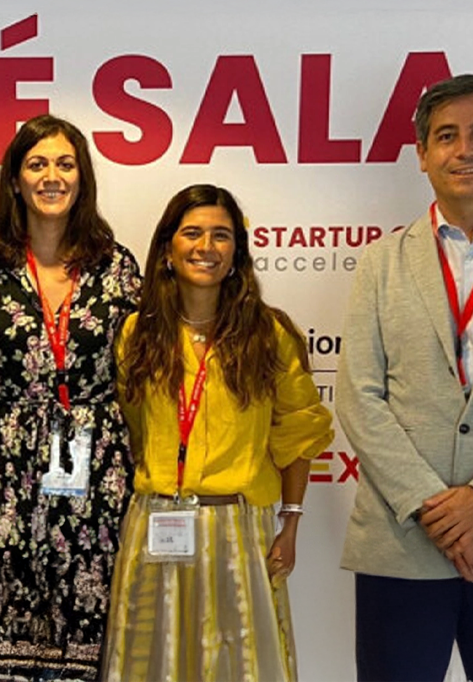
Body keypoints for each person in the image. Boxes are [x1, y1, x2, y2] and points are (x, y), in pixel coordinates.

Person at [0, 114, 141, 682]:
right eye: (37, 163)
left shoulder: (117, 268)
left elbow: (133, 381)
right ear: (15, 179)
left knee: (84, 613)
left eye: (65, 164)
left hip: (94, 467)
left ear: (82, 177)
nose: (51, 176)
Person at [336, 73, 473, 682]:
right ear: (422, 156)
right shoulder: (380, 263)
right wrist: (434, 508)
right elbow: (359, 395)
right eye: (445, 136)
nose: (464, 149)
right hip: (402, 547)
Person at [102, 184, 333, 682]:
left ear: (237, 254)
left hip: (239, 531)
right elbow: (136, 430)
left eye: (221, 235)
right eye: (192, 233)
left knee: (240, 668)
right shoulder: (136, 334)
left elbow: (298, 434)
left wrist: (290, 523)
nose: (206, 246)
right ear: (167, 249)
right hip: (155, 523)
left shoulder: (270, 335)